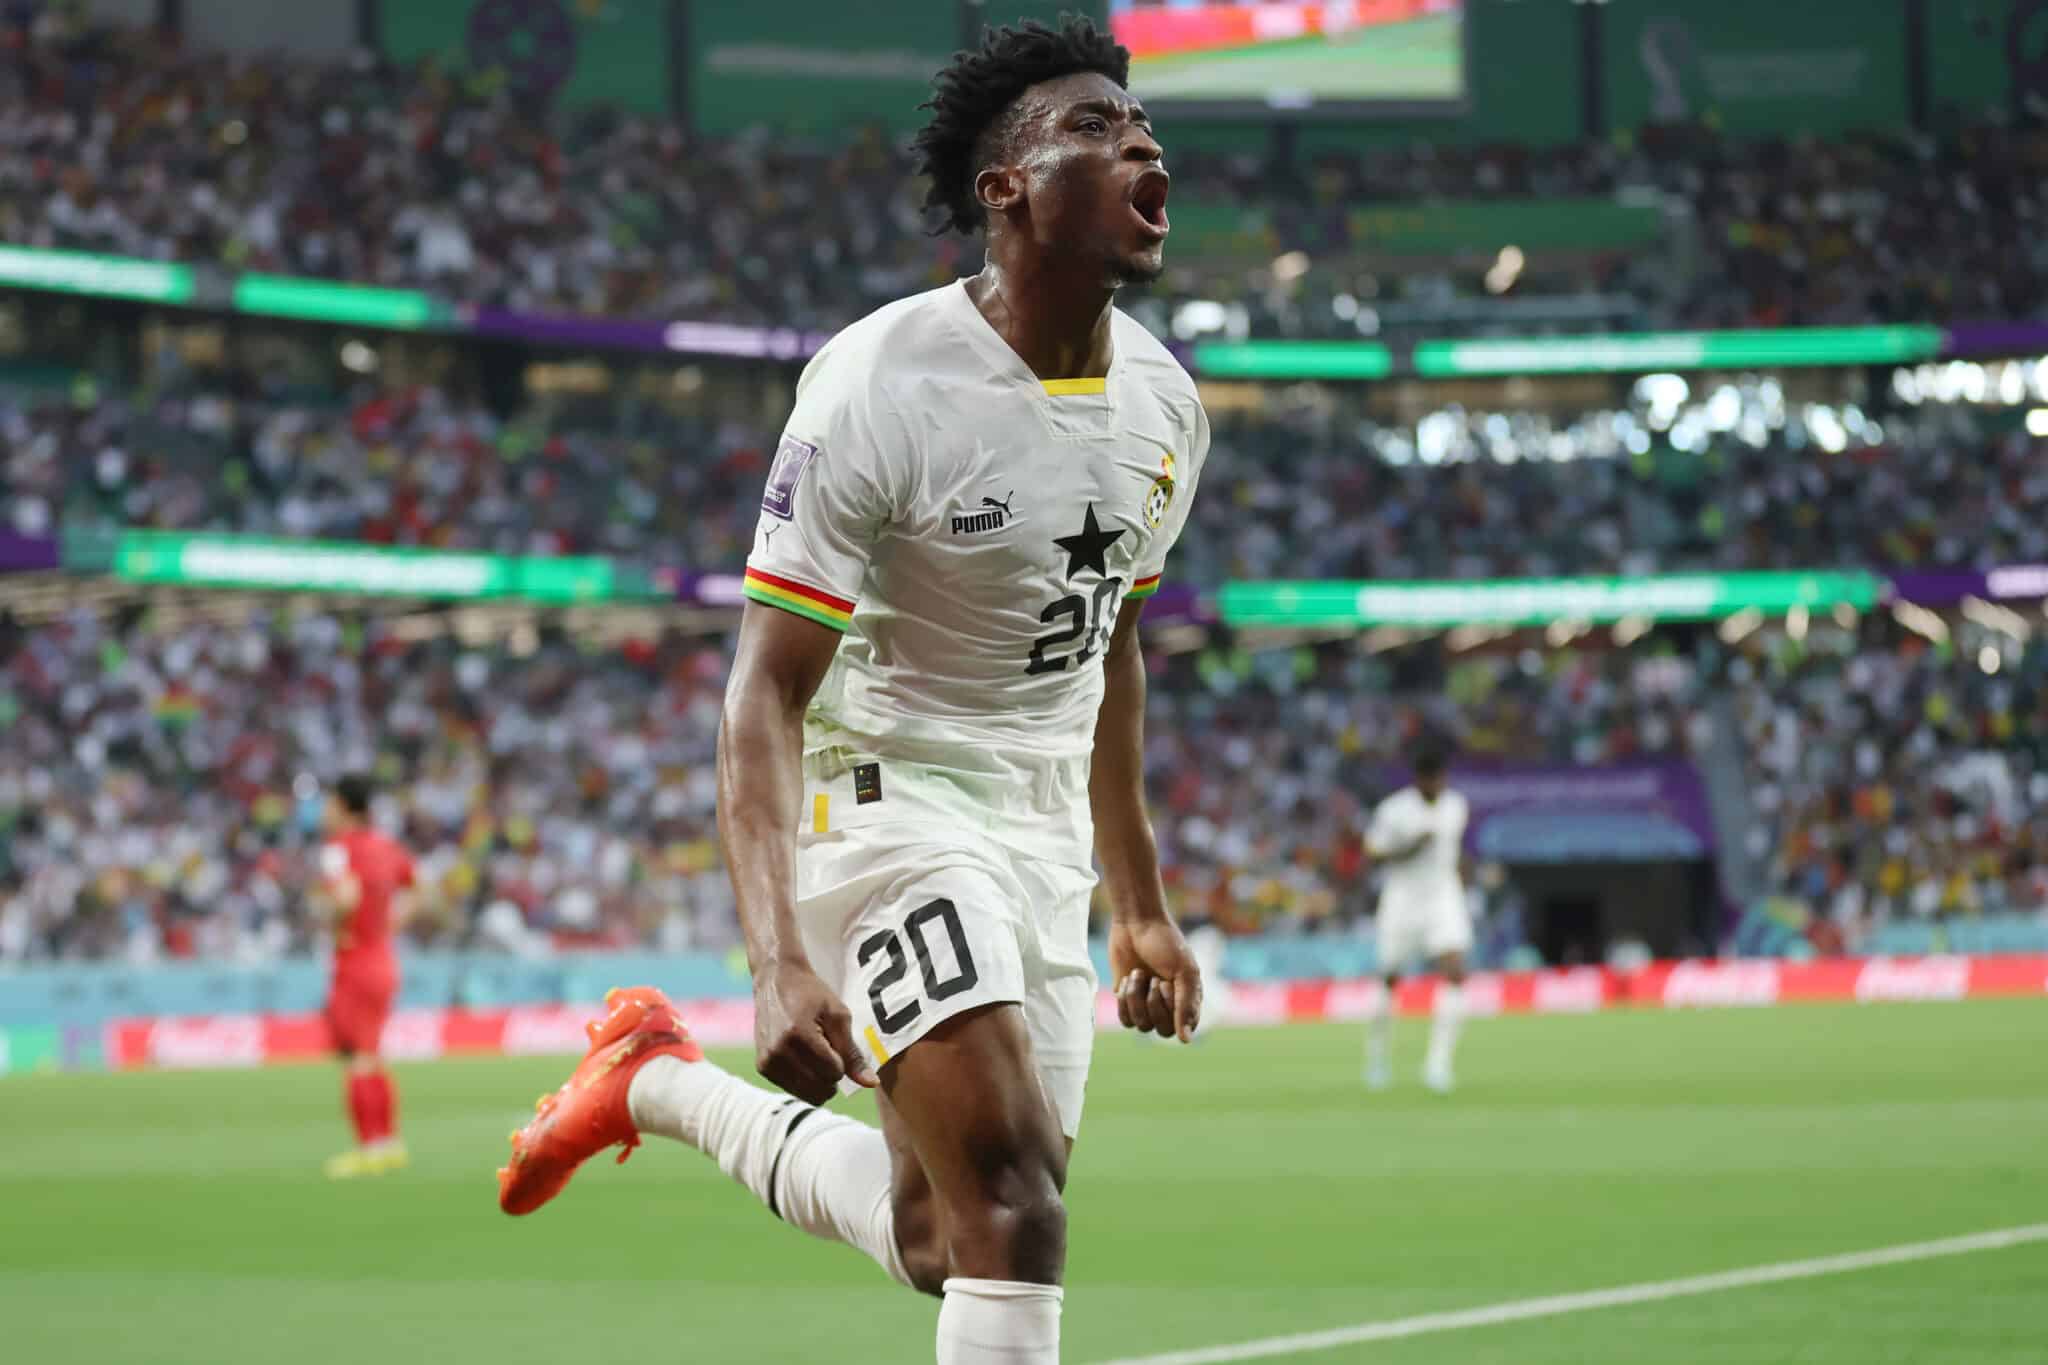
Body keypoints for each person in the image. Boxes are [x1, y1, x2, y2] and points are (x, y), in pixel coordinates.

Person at [496, 16, 1207, 1361]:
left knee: (950, 1235)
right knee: (1012, 1203)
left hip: (1043, 827)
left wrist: (1143, 908)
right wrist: (776, 958)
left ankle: (655, 1083)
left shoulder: (1168, 409)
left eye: (1145, 126)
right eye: (1097, 127)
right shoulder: (879, 385)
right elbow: (763, 689)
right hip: (887, 798)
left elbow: (1108, 643)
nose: (1143, 141)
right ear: (1006, 190)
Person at [317, 774, 416, 1178]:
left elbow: (345, 896)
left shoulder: (339, 849)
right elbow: (415, 889)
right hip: (384, 959)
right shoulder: (386, 845)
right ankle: (389, 1143)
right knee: (374, 1055)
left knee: (356, 1058)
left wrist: (331, 920)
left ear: (341, 806)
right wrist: (388, 927)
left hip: (355, 959)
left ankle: (368, 1147)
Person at [1362, 745, 1473, 1094]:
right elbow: (1373, 851)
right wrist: (1411, 846)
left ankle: (1438, 1065)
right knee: (1390, 978)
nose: (1438, 786)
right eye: (1431, 780)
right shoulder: (1395, 810)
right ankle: (1377, 1059)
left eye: (1441, 780)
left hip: (1443, 896)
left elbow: (1455, 852)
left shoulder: (1456, 806)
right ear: (1420, 779)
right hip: (1403, 899)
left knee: (1455, 971)